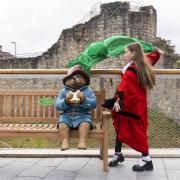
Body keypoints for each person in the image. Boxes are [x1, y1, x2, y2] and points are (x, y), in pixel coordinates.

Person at [103, 42, 158, 171]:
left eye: (126, 52)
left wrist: (118, 100)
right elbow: (152, 57)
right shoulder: (142, 63)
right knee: (123, 126)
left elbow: (124, 86)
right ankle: (118, 154)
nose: (124, 54)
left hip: (131, 104)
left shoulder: (132, 69)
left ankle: (147, 160)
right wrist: (156, 52)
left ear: (133, 54)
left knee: (137, 131)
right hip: (136, 102)